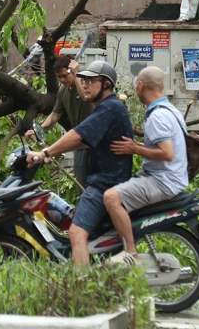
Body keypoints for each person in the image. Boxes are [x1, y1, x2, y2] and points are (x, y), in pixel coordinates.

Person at [29, 60, 133, 266]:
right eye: (83, 80)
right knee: (97, 233)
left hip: (105, 183)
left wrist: (45, 152)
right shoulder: (107, 107)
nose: (85, 84)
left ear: (106, 84)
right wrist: (53, 152)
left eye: (91, 81)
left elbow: (77, 135)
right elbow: (82, 140)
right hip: (109, 181)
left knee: (76, 232)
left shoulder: (109, 107)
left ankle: (80, 289)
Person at [104, 66, 189, 264]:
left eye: (135, 87)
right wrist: (137, 145)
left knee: (111, 198)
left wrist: (135, 149)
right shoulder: (170, 110)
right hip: (173, 177)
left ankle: (131, 253)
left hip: (163, 180)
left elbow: (167, 153)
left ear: (140, 86)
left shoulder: (157, 116)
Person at [27, 56, 95, 187]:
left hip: (95, 145)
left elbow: (85, 97)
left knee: (95, 187)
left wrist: (77, 74)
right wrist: (39, 130)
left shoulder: (86, 84)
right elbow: (54, 115)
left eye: (65, 75)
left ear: (72, 71)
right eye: (59, 77)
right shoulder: (63, 91)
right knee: (82, 186)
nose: (62, 80)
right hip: (80, 145)